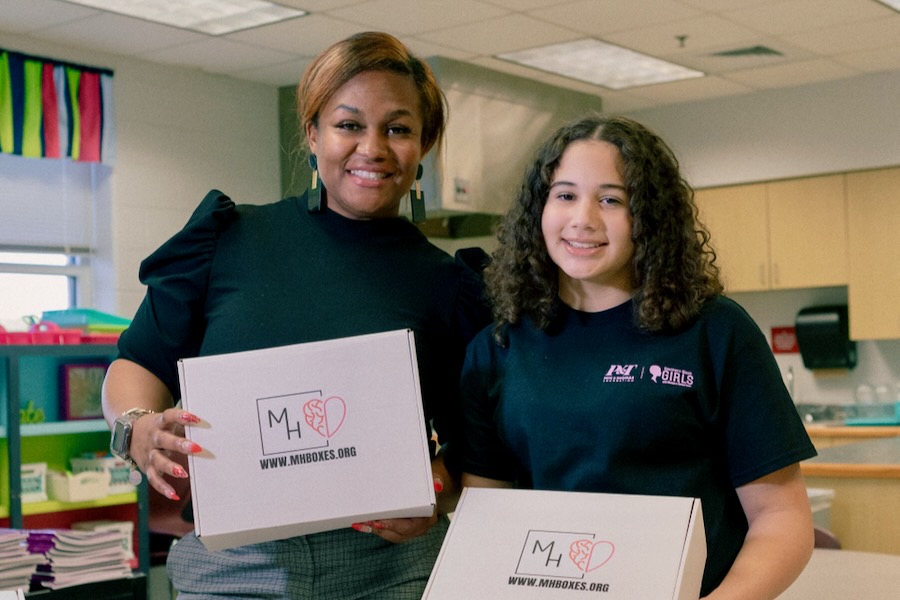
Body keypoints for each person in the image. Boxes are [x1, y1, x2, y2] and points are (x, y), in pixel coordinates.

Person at [102, 31, 491, 599]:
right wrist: (136, 426)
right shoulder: (228, 242)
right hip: (232, 569)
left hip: (390, 570)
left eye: (398, 129)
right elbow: (137, 362)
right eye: (349, 124)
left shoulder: (450, 284)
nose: (373, 148)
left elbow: (473, 450)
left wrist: (435, 489)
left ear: (424, 144)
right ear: (312, 133)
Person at [459, 114, 817, 599]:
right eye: (565, 195)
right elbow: (486, 519)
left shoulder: (715, 333)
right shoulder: (497, 348)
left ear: (648, 217)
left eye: (611, 199)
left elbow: (782, 518)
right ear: (538, 210)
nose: (583, 219)